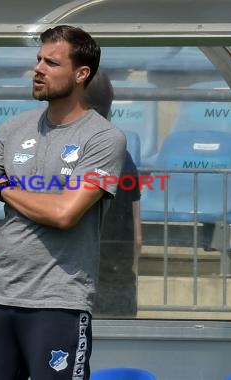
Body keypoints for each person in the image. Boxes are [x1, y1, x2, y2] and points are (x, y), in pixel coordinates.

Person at [0, 25, 126, 380]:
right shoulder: (14, 128)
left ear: (81, 74)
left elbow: (64, 214)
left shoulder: (104, 138)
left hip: (58, 302)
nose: (38, 69)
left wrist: (3, 189)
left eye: (51, 62)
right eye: (38, 60)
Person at [83, 70, 142, 317]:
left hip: (72, 285)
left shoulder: (63, 154)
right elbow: (137, 237)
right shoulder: (124, 155)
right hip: (118, 281)